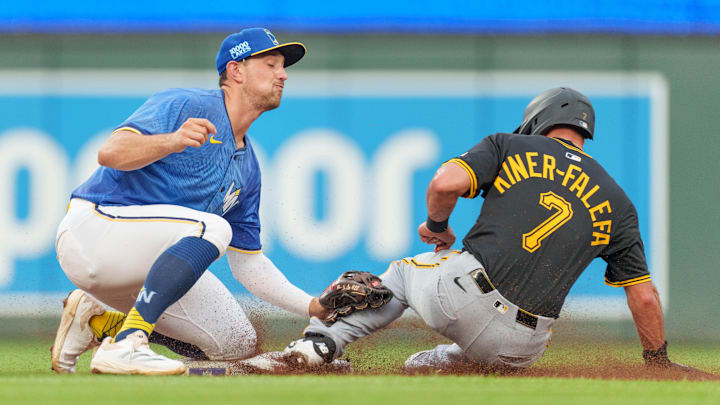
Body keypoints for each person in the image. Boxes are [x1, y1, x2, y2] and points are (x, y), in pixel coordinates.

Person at [282, 87, 677, 372]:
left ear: (536, 122)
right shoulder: (619, 203)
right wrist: (657, 363)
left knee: (402, 274)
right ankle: (437, 367)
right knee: (495, 346)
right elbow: (644, 298)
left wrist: (437, 227)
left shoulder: (510, 145)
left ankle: (319, 344)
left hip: (462, 296)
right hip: (525, 345)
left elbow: (443, 184)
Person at [51, 27, 328, 375]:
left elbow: (249, 267)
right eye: (270, 64)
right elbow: (110, 153)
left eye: (283, 67)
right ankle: (127, 345)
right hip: (94, 231)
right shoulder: (189, 105)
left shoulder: (248, 169)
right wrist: (172, 140)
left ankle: (100, 323)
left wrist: (313, 306)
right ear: (236, 71)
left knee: (237, 342)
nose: (283, 74)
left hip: (144, 266)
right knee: (212, 227)